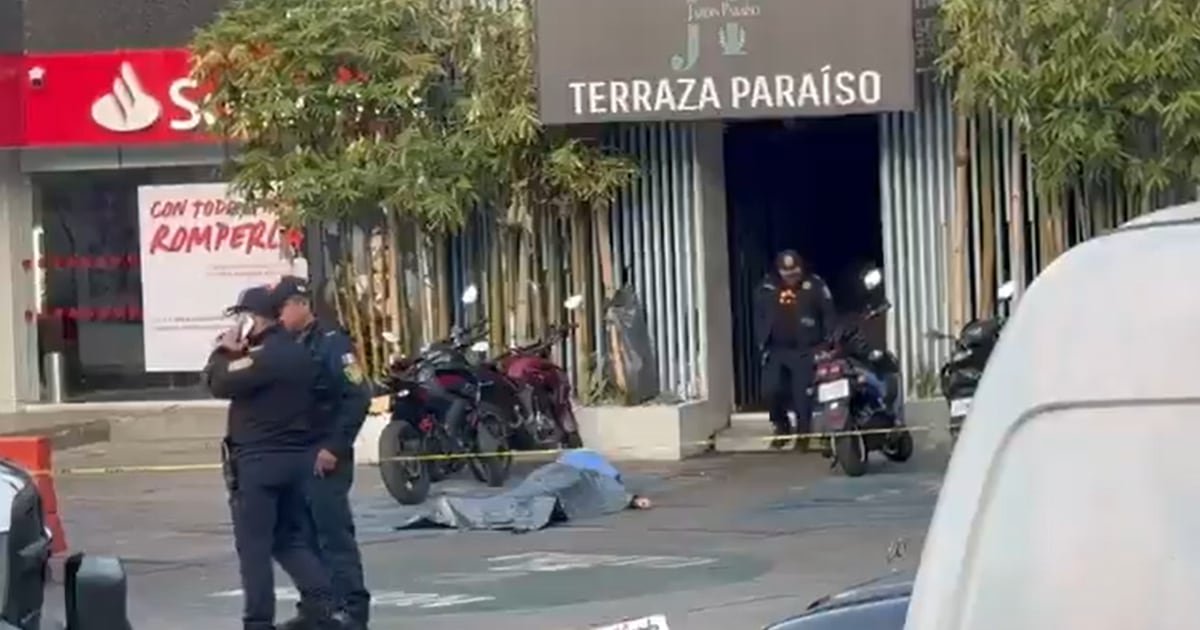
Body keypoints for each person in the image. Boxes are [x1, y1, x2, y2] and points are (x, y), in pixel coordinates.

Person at [204, 285, 350, 630]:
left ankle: (258, 620)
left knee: (254, 548)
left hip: (258, 464)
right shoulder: (299, 353)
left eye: (243, 318)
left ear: (255, 319)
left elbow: (218, 383)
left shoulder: (262, 357)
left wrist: (223, 351)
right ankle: (322, 603)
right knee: (289, 539)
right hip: (296, 462)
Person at [271, 276, 372, 628]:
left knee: (333, 537)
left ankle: (351, 610)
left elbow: (357, 396)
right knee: (303, 538)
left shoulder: (332, 343)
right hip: (296, 457)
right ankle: (317, 609)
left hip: (325, 455)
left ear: (301, 305)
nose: (278, 316)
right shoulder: (287, 344)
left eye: (282, 308)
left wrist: (335, 446)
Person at [753, 250, 837, 449]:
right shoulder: (766, 287)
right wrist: (761, 341)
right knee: (770, 390)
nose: (791, 276)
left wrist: (827, 343)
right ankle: (782, 426)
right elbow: (759, 316)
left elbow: (828, 315)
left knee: (802, 396)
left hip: (805, 349)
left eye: (794, 271)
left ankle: (803, 435)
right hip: (776, 349)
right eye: (786, 272)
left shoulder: (815, 285)